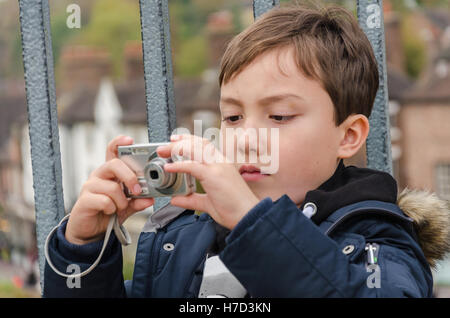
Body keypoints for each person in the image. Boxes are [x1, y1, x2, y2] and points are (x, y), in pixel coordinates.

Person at [44, 3, 450, 297]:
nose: (247, 138)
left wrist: (251, 223)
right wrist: (82, 251)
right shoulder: (178, 239)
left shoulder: (380, 242)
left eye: (280, 116)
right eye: (233, 118)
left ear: (348, 136)